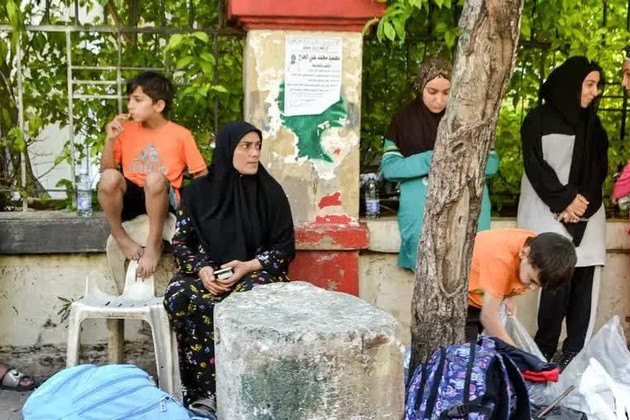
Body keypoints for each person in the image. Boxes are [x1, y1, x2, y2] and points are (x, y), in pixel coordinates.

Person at [163, 121, 295, 411]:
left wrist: (247, 266)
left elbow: (284, 249)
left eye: (257, 146)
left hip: (255, 271)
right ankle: (205, 395)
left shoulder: (270, 192)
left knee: (249, 299)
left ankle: (252, 391)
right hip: (209, 272)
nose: (254, 153)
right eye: (245, 146)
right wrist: (202, 269)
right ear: (227, 149)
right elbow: (181, 242)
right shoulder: (198, 193)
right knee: (182, 294)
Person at [516, 56, 608, 368]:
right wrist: (565, 201)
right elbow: (535, 166)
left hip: (587, 217)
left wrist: (581, 206)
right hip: (547, 213)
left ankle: (574, 356)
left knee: (584, 284)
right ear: (571, 84)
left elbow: (598, 171)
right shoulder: (537, 120)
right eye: (589, 84)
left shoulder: (594, 126)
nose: (595, 92)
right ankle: (544, 353)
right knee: (552, 280)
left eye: (597, 85)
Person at [382, 57, 499, 271]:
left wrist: (460, 160)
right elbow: (390, 169)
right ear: (420, 88)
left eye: (447, 92)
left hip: (467, 209)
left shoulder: (472, 120)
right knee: (427, 271)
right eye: (432, 92)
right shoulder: (404, 121)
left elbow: (491, 165)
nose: (439, 100)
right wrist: (433, 159)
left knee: (471, 269)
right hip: (422, 213)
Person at [99, 71, 208, 278]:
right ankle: (120, 236)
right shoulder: (125, 131)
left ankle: (154, 244)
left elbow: (201, 175)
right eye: (130, 99)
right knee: (109, 178)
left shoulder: (181, 135)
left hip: (164, 199)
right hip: (132, 197)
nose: (130, 106)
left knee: (154, 178)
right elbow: (106, 172)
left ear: (158, 106)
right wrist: (110, 140)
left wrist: (196, 211)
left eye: (137, 100)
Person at [466, 228, 577, 346]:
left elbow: (512, 272)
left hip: (483, 298)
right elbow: (488, 316)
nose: (533, 288)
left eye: (539, 286)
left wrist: (509, 296)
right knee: (469, 350)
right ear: (524, 254)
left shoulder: (535, 246)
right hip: (466, 303)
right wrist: (514, 351)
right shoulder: (500, 260)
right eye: (532, 280)